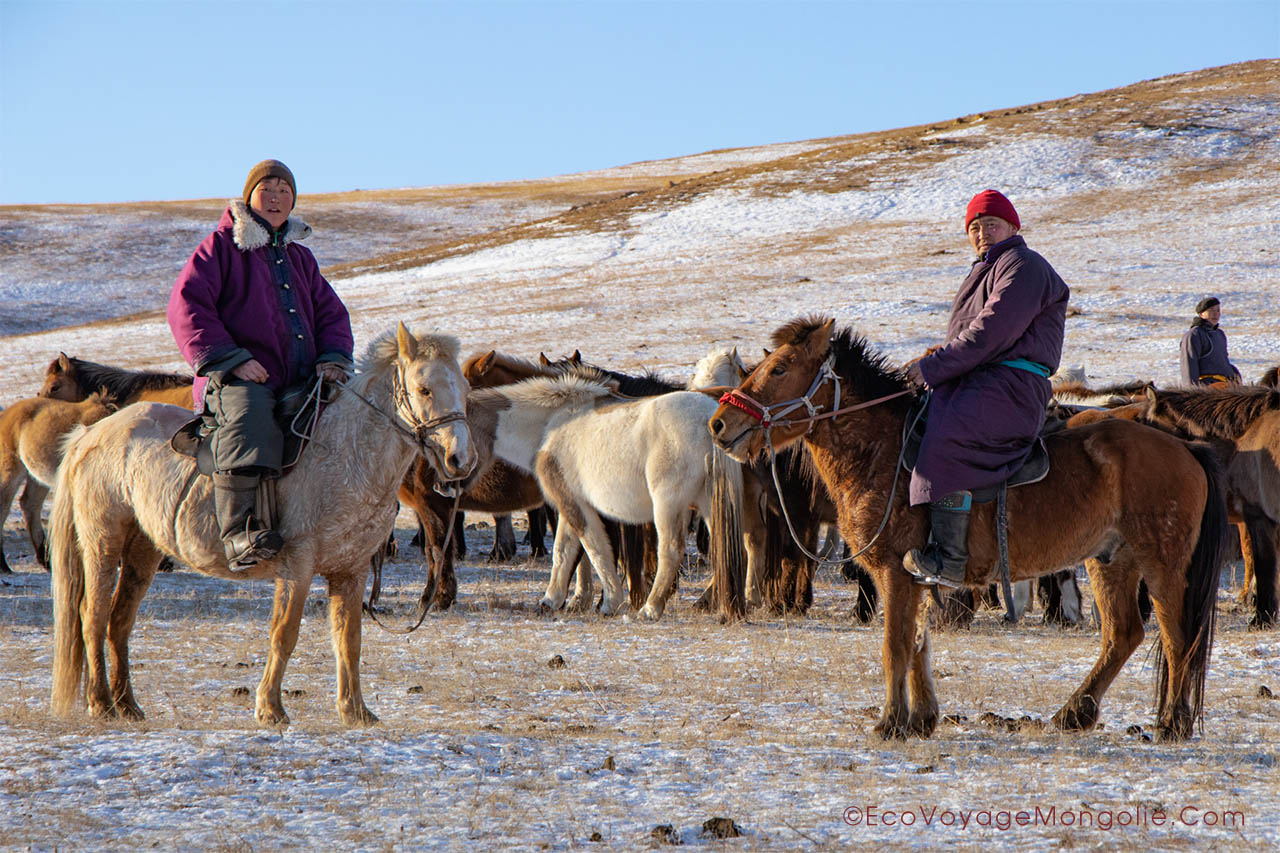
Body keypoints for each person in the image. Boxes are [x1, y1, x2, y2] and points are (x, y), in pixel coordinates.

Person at [167, 159, 354, 570]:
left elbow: (331, 315)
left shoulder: (300, 257)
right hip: (236, 379)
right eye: (266, 189)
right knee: (248, 417)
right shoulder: (220, 247)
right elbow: (187, 306)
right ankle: (239, 533)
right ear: (249, 197)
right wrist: (232, 360)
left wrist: (332, 359)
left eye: (284, 191)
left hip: (302, 377)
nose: (276, 198)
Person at [901, 189, 1070, 588]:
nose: (981, 233)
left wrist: (931, 367)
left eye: (990, 224)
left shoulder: (1023, 265)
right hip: (982, 379)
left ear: (1013, 226)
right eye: (973, 227)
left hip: (1009, 385)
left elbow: (989, 333)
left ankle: (952, 559)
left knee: (951, 434)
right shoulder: (982, 271)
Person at [1179, 296, 1240, 385]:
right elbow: (1189, 366)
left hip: (1227, 385)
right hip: (1208, 388)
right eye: (1211, 310)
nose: (1215, 314)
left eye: (1218, 310)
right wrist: (1192, 392)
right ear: (1201, 314)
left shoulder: (1220, 334)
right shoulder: (1194, 335)